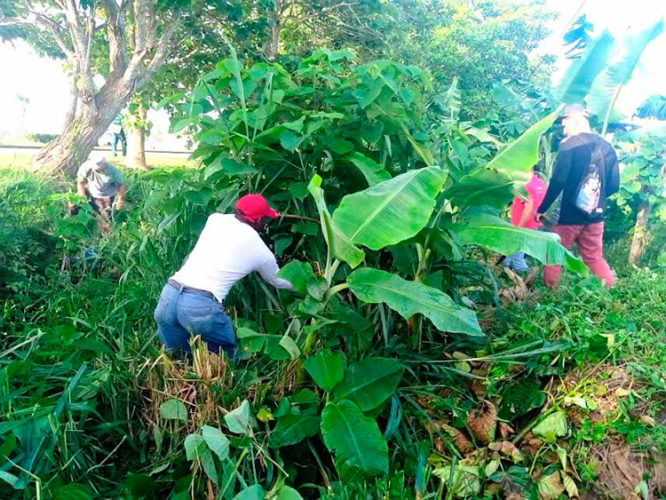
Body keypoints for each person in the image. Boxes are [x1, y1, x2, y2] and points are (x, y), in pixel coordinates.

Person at [154, 194, 294, 359]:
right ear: (257, 221)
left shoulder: (215, 220)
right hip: (199, 304)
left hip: (169, 295)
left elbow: (235, 220)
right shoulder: (260, 250)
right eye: (264, 219)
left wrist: (261, 214)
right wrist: (304, 284)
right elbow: (277, 280)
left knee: (177, 358)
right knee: (225, 359)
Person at [536, 104, 620, 289]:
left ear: (576, 120)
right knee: (594, 257)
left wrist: (542, 208)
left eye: (565, 125)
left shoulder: (569, 145)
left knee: (555, 254)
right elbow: (614, 185)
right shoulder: (607, 147)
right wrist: (595, 200)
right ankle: (611, 291)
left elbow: (558, 181)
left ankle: (552, 294)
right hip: (596, 215)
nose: (564, 130)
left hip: (569, 215)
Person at [502, 166, 547, 272]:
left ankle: (523, 273)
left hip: (523, 223)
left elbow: (528, 207)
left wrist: (519, 227)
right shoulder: (540, 183)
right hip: (533, 223)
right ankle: (506, 265)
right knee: (514, 247)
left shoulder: (527, 185)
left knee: (518, 253)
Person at [76, 152, 125, 234]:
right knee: (73, 207)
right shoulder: (86, 167)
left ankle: (106, 237)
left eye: (99, 168)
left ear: (104, 164)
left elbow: (121, 185)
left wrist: (120, 200)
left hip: (106, 195)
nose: (97, 170)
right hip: (89, 191)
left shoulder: (113, 171)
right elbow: (80, 182)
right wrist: (82, 195)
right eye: (95, 168)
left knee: (105, 220)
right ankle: (78, 231)